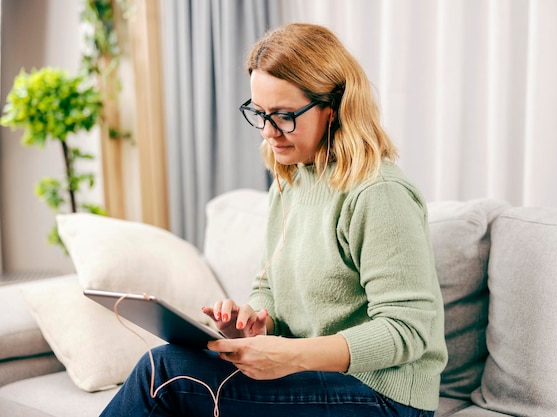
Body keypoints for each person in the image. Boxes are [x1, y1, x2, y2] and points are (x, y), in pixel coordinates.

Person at [101, 23, 447, 417]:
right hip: (315, 377)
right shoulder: (291, 182)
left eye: (284, 116)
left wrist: (292, 356)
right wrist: (256, 325)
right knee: (174, 364)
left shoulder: (378, 192)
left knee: (162, 372)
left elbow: (408, 330)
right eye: (260, 113)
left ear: (333, 109)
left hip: (386, 396)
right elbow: (269, 286)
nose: (268, 132)